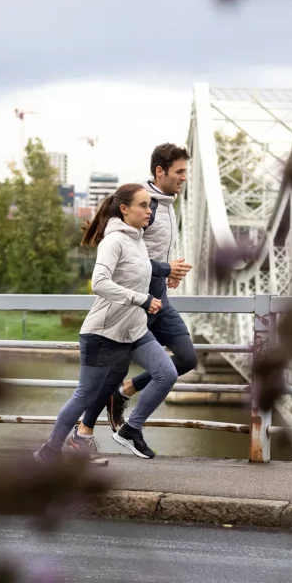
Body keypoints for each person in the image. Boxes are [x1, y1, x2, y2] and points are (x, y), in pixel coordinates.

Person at [35, 183, 178, 464]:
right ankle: (49, 452)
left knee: (167, 372)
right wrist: (141, 299)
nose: (149, 211)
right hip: (103, 333)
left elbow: (142, 271)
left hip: (133, 331)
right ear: (124, 209)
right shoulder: (113, 241)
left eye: (150, 205)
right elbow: (99, 283)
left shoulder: (137, 239)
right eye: (143, 205)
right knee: (85, 396)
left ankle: (130, 429)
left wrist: (170, 272)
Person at [77, 143, 196, 439]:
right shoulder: (148, 206)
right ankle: (84, 432)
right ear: (160, 171)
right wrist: (165, 268)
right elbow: (130, 259)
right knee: (113, 373)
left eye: (186, 171)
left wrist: (171, 271)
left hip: (160, 299)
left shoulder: (167, 202)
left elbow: (151, 254)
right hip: (138, 302)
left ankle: (125, 391)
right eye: (179, 172)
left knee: (186, 358)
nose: (184, 177)